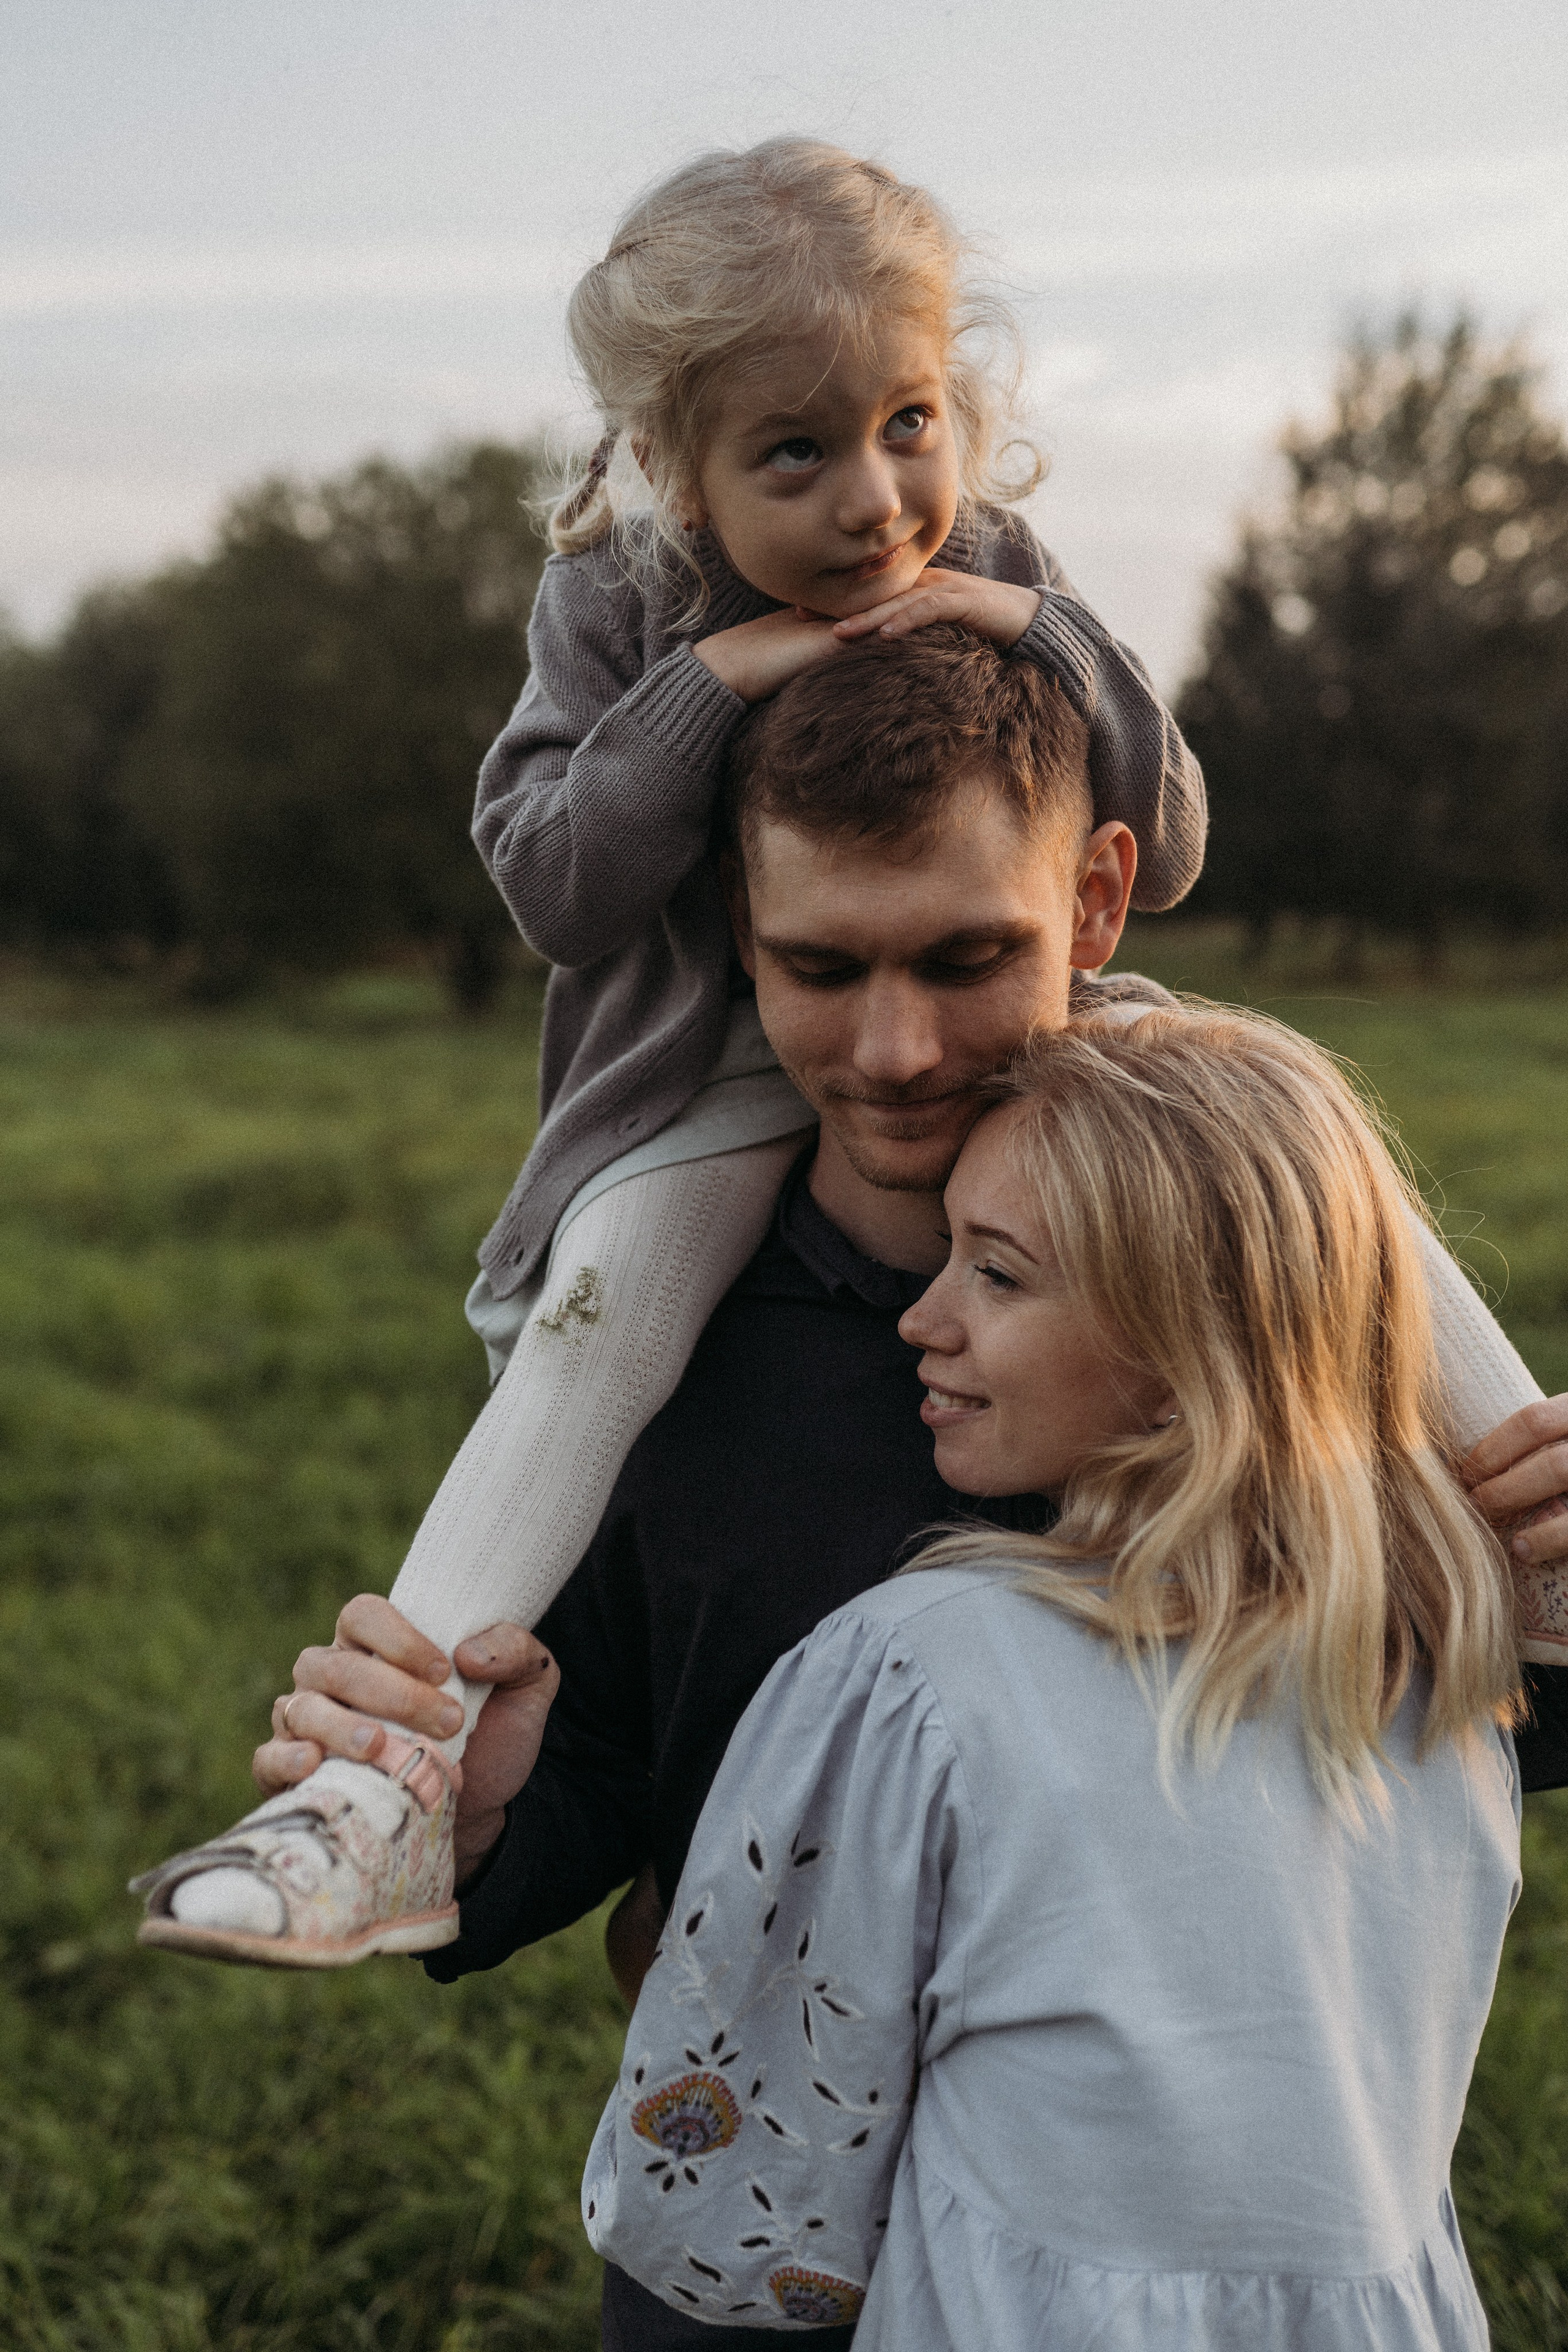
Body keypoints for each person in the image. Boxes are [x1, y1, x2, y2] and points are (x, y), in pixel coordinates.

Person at [244, 631, 1567, 2350]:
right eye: (821, 965)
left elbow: (1458, 1721)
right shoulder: (658, 1350)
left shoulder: (1267, 1319)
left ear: (1096, 903)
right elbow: (604, 1755)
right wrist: (476, 1819)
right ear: (736, 928)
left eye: (967, 956)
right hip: (758, 2275)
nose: (893, 1048)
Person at [132, 135, 1208, 1963]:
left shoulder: (995, 565)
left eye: (910, 424)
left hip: (1041, 1055)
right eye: (794, 454)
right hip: (707, 1085)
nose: (874, 505)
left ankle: (1530, 1529)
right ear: (674, 466)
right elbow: (557, 884)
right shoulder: (620, 598)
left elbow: (1168, 843)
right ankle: (381, 1792)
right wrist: (716, 680)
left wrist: (1030, 624)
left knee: (1278, 1136)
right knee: (600, 1316)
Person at [581, 1005, 1528, 2347]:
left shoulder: (915, 1679)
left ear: (1182, 1354)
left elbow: (741, 2209)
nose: (923, 1318)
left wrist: (666, 1937)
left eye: (998, 1275)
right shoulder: (1445, 1685)